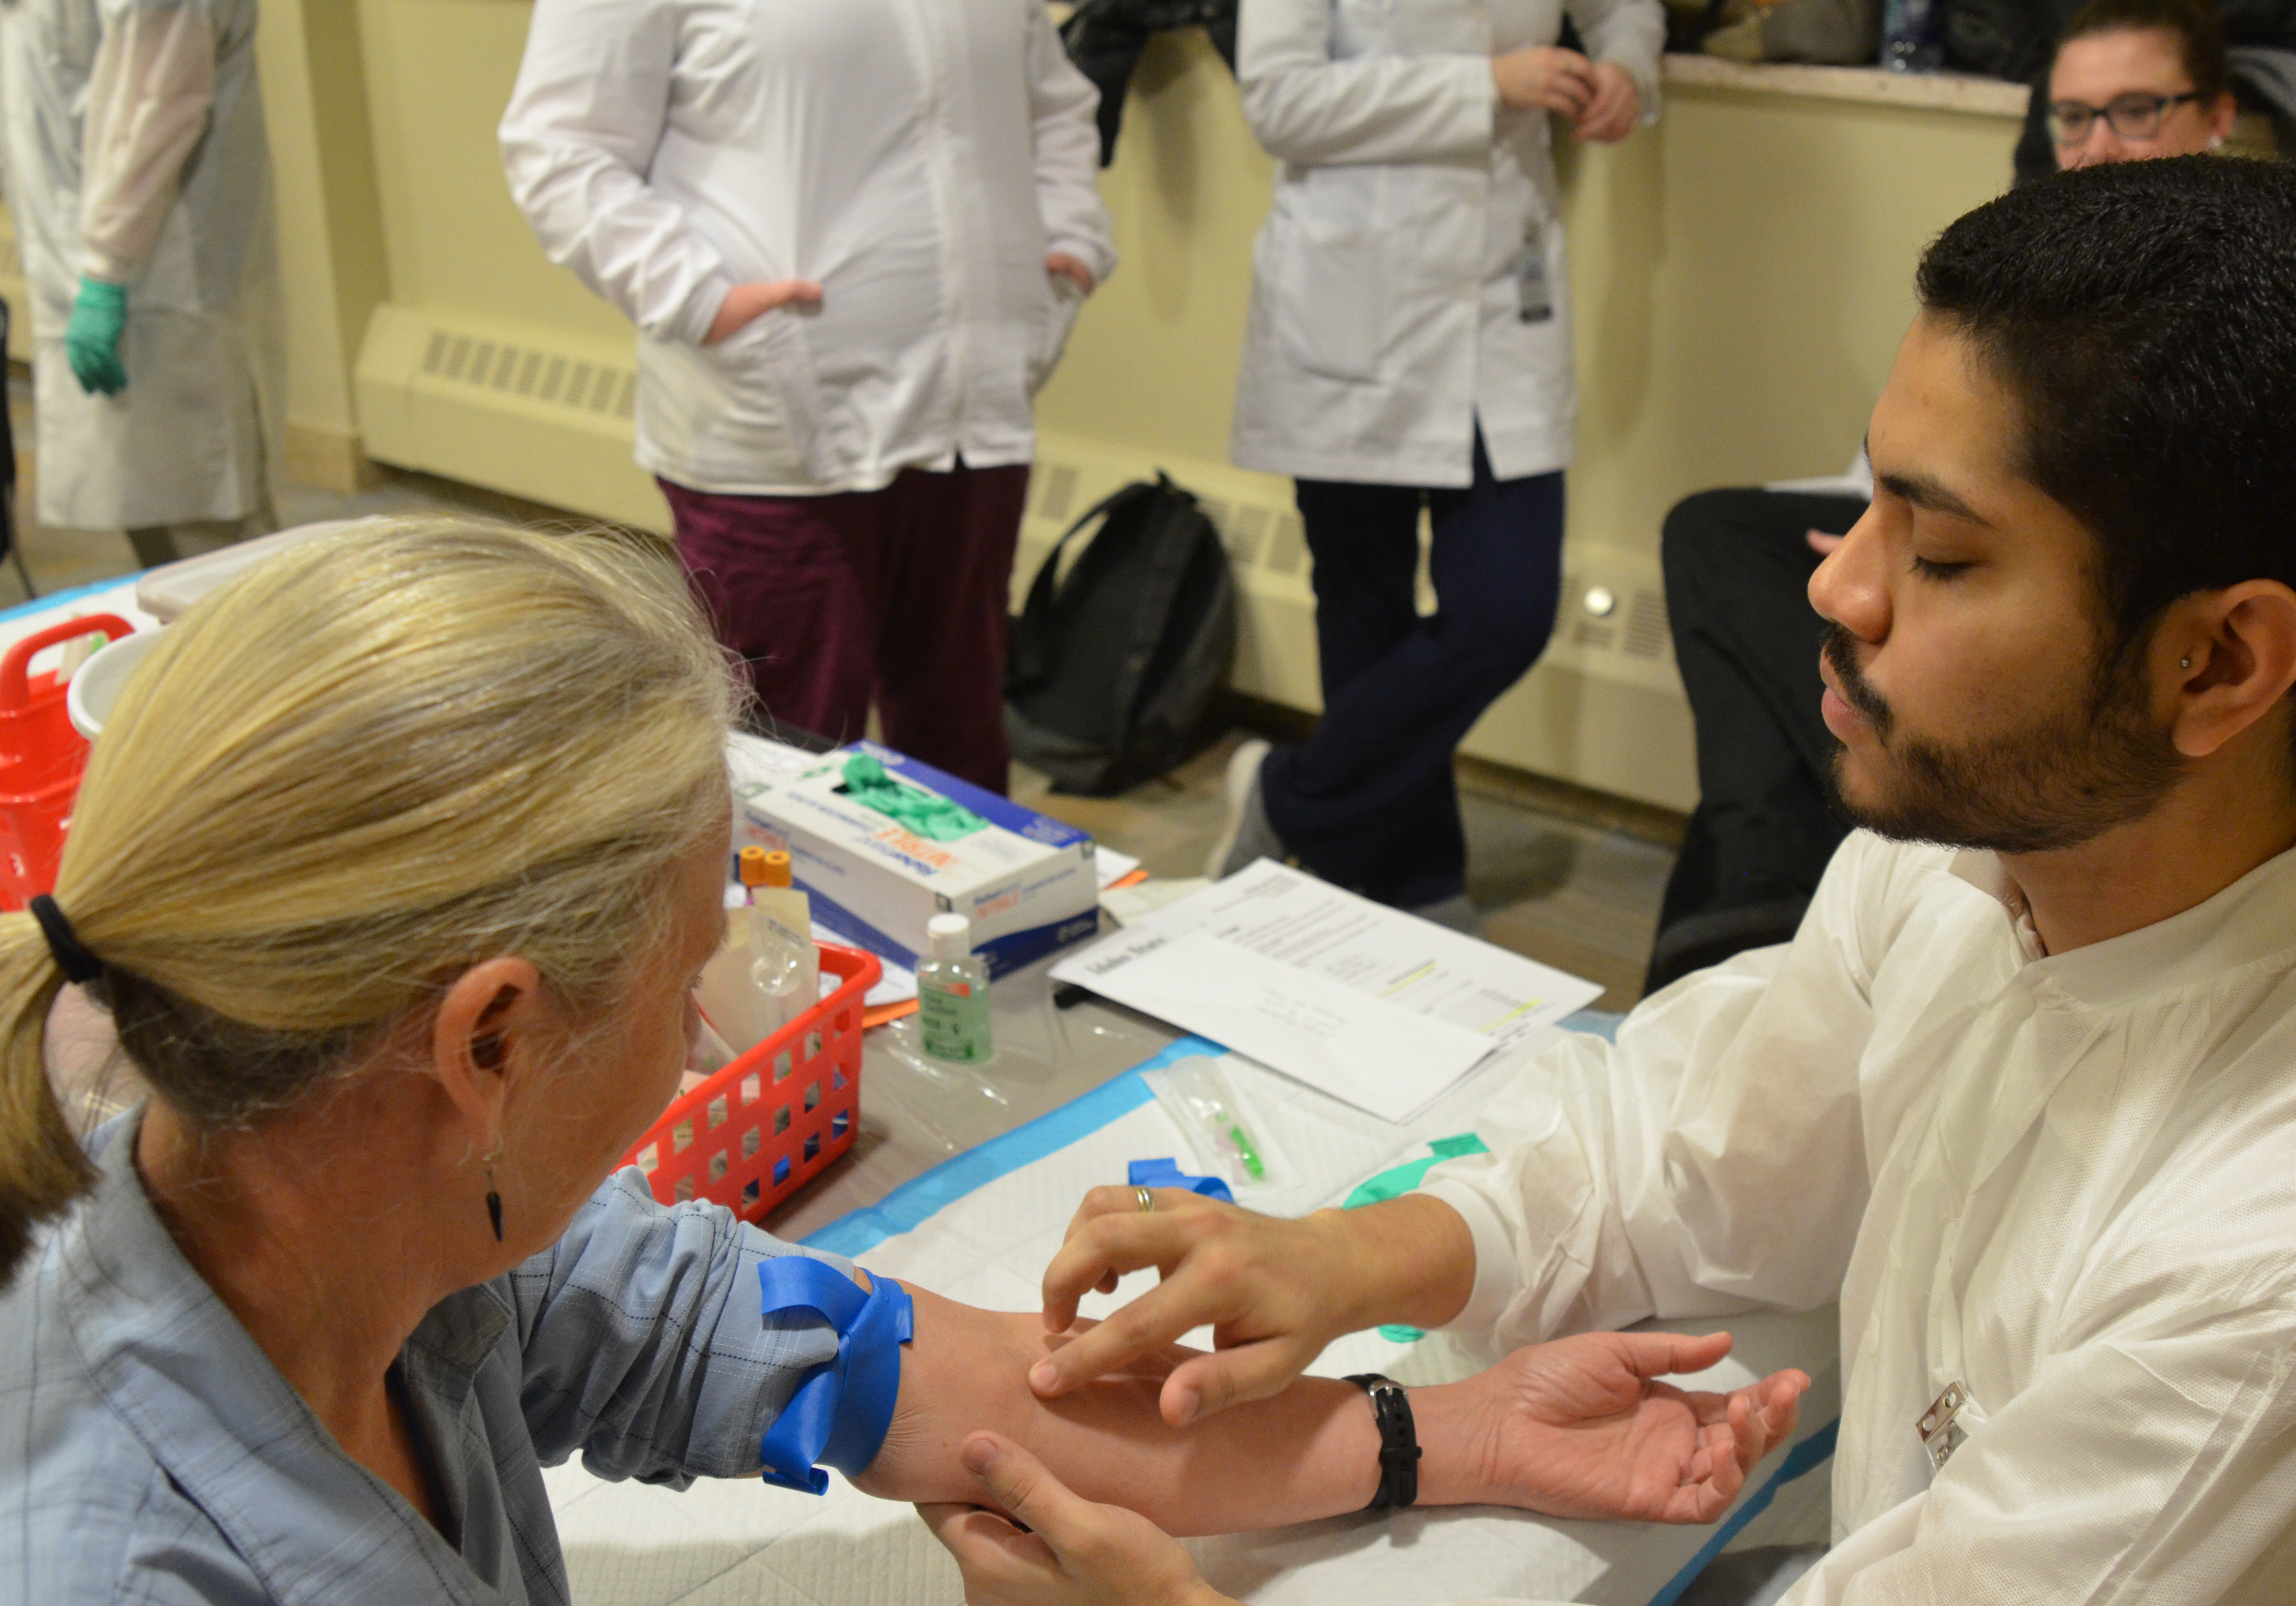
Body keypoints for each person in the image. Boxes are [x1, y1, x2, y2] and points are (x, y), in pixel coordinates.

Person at [1015, 157, 2296, 1604]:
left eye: (1938, 555)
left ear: (2216, 661)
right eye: (1865, 503)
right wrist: (1349, 1252)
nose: (1834, 587)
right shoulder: (1991, 848)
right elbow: (1701, 1138)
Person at [0, 518, 1808, 1601]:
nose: (712, 1036)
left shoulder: (397, 1219)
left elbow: (943, 1389)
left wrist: (1457, 1423)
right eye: (687, 982)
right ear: (486, 1036)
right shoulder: (107, 1555)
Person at [1645, 0, 2237, 991]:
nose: (2096, 148)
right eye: (2073, 117)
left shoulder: (2248, 296)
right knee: (1709, 531)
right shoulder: (2032, 258)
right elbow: (1915, 434)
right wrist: (1894, 523)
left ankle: (1746, 904)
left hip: (2062, 593)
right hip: (1937, 535)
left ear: (2213, 116)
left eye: (2134, 112)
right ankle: (1763, 878)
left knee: (1775, 758)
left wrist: (1941, 547)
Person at [499, 0, 1118, 795]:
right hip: (776, 429)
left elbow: (1054, 101)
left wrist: (1070, 239)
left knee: (958, 739)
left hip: (972, 408)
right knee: (786, 763)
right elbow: (561, 145)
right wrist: (695, 296)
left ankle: (968, 918)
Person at [1205, 0, 1663, 926]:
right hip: (1350, 294)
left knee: (1506, 609)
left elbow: (1624, 10)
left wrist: (1626, 66)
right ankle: (1415, 879)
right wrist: (1481, 85)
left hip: (1503, 290)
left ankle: (1289, 794)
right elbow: (1280, 102)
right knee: (1363, 602)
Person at [0, 0, 283, 570]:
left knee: (217, 547)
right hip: (87, 265)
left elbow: (156, 106)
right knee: (152, 526)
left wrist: (107, 268)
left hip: (162, 280)